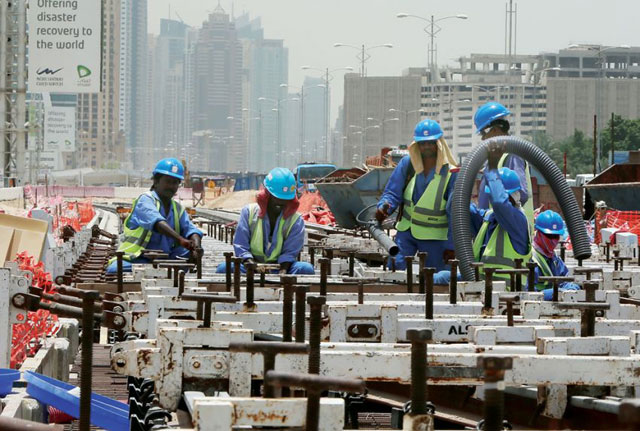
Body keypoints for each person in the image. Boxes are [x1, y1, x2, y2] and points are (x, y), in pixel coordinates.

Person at [375, 119, 458, 272]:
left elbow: (455, 213)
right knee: (395, 271)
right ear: (417, 145)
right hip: (407, 231)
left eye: (430, 142)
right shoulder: (408, 165)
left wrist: (451, 246)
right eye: (422, 143)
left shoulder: (451, 174)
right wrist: (384, 207)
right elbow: (392, 192)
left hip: (435, 237)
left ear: (439, 144)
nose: (426, 146)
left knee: (435, 280)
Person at [106, 158, 203, 274]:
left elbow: (191, 230)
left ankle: (165, 270)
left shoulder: (177, 208)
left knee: (189, 252)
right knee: (115, 270)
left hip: (166, 258)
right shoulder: (145, 200)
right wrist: (180, 239)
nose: (171, 186)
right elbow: (157, 223)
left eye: (175, 183)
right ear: (156, 182)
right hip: (137, 258)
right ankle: (163, 271)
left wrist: (196, 247)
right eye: (168, 181)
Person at [216, 167, 314, 275]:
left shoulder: (295, 221)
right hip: (251, 267)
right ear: (267, 195)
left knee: (306, 269)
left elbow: (290, 251)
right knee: (224, 268)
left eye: (285, 200)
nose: (281, 203)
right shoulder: (249, 212)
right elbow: (241, 245)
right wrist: (249, 263)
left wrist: (283, 271)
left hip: (281, 268)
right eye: (277, 198)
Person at [474, 101, 534, 227]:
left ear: (494, 130)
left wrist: (500, 214)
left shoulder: (513, 155)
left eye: (484, 133)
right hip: (493, 227)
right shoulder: (496, 157)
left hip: (508, 232)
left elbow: (520, 195)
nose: (483, 138)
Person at [529, 210, 580, 300]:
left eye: (556, 236)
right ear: (538, 233)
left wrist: (572, 288)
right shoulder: (531, 258)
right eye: (549, 236)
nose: (553, 240)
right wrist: (553, 293)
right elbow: (528, 292)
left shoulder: (554, 258)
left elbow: (564, 280)